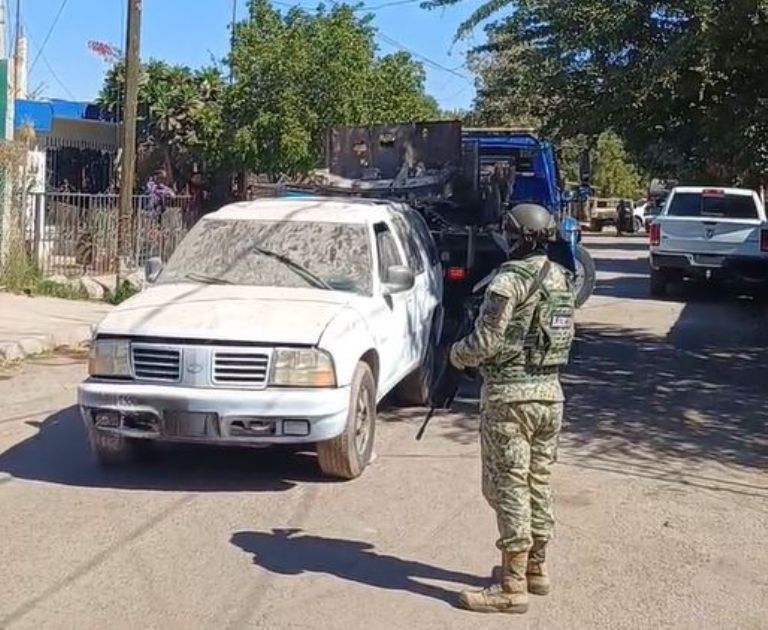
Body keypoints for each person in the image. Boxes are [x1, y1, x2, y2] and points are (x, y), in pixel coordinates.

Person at [449, 203, 577, 614]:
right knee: (538, 481)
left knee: (508, 487)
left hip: (511, 401)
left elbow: (485, 342)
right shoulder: (562, 277)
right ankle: (536, 569)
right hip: (550, 396)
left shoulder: (509, 280)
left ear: (518, 238)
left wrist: (455, 354)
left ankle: (512, 586)